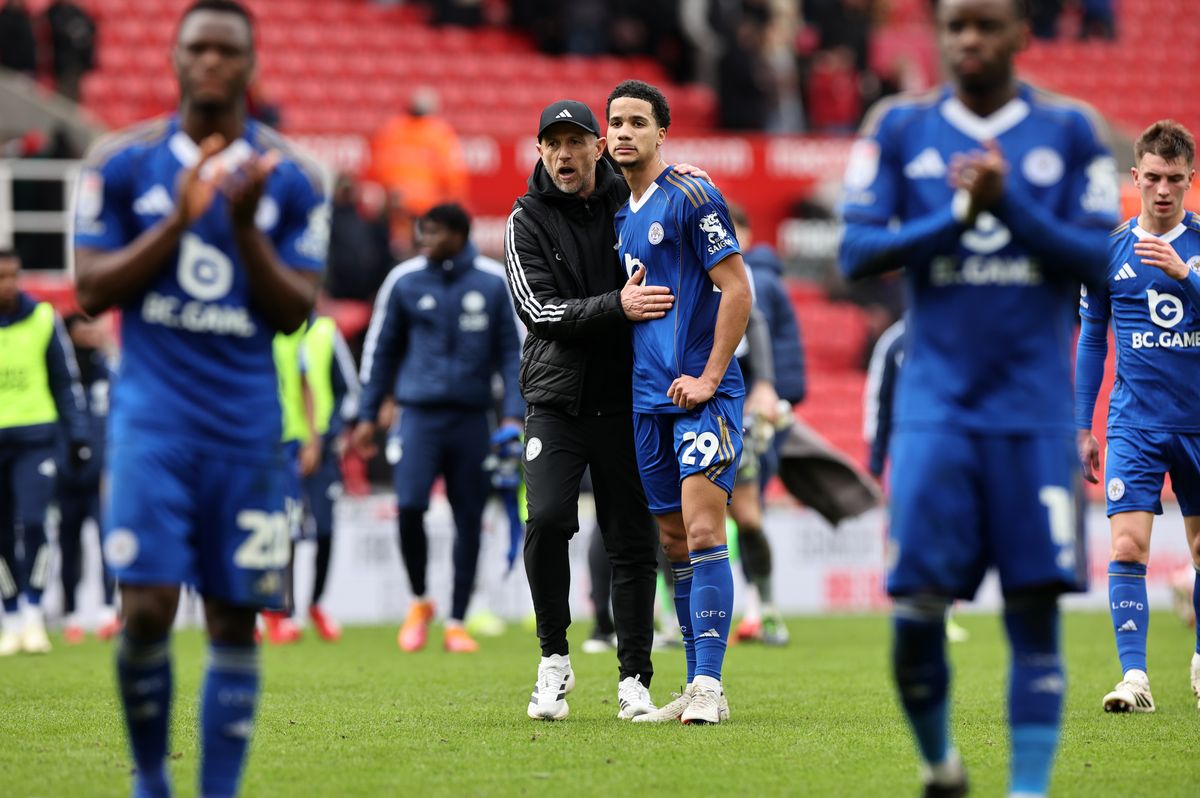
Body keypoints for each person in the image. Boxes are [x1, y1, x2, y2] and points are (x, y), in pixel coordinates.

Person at [837, 0, 1118, 794]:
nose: (968, 39)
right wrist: (959, 214)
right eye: (955, 24)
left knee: (1034, 617)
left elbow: (1103, 261)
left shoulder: (1070, 131)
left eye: (986, 24)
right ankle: (941, 767)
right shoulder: (898, 127)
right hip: (936, 414)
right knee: (914, 616)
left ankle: (1026, 792)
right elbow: (857, 250)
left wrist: (1011, 207)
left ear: (1020, 35)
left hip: (1033, 415)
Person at [72, 1, 328, 795]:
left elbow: (294, 314)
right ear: (176, 60)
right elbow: (87, 290)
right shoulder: (120, 164)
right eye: (198, 50)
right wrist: (177, 225)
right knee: (145, 608)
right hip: (152, 424)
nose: (211, 64)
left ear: (250, 65)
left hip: (248, 431)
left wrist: (245, 229)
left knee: (231, 619)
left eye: (226, 52)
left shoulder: (291, 177)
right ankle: (152, 779)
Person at [504, 99, 676, 722]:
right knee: (548, 520)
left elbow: (669, 247)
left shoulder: (629, 203)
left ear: (597, 147)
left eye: (575, 142)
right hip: (556, 403)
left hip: (627, 398)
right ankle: (554, 661)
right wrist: (615, 308)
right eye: (552, 144)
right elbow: (537, 311)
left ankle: (635, 676)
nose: (563, 154)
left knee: (632, 542)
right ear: (540, 151)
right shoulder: (524, 217)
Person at [607, 79, 751, 725]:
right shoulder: (620, 214)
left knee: (701, 530)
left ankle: (710, 687)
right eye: (616, 122)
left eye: (638, 121)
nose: (625, 131)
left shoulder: (693, 194)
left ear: (662, 132)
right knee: (670, 540)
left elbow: (738, 287)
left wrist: (711, 377)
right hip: (646, 399)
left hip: (700, 395)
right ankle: (693, 681)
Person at [352, 202, 522, 655]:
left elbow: (512, 353)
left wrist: (512, 414)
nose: (424, 240)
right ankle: (419, 600)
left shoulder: (492, 281)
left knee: (470, 518)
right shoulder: (404, 280)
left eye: (434, 232)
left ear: (459, 233)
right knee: (409, 507)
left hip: (472, 418)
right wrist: (368, 416)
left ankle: (457, 620)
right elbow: (380, 351)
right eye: (422, 232)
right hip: (418, 416)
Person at [1075, 119, 1200, 714]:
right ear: (1136, 177)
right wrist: (1083, 425)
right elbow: (1092, 340)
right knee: (1127, 547)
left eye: (1175, 179)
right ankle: (1135, 678)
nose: (1163, 190)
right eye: (1153, 177)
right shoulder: (1110, 252)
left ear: (1190, 179)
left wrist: (1185, 275)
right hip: (1134, 424)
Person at [0, 249, 89, 656]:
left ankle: (34, 613)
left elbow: (65, 381)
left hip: (36, 439)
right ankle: (11, 615)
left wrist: (79, 435)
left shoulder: (42, 318)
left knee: (35, 522)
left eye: (13, 276)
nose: (8, 285)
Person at [57, 312, 120, 645]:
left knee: (107, 542)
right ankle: (71, 615)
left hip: (100, 476)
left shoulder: (107, 371)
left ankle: (109, 611)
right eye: (83, 330)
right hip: (66, 475)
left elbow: (122, 415)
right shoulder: (60, 375)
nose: (90, 335)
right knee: (69, 546)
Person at [299, 314, 359, 642]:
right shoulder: (268, 324)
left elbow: (347, 391)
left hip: (321, 449)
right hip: (279, 448)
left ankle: (315, 604)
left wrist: (329, 433)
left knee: (324, 529)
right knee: (281, 531)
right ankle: (276, 612)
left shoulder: (325, 331)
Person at [367, 87, 468, 220]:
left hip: (396, 206)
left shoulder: (391, 130)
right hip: (427, 207)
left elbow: (376, 167)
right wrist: (453, 204)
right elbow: (453, 175)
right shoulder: (440, 134)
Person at [43, 0, 96, 102]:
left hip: (77, 62)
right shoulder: (54, 11)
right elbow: (58, 32)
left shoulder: (76, 11)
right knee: (65, 100)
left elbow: (91, 28)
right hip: (62, 63)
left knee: (70, 97)